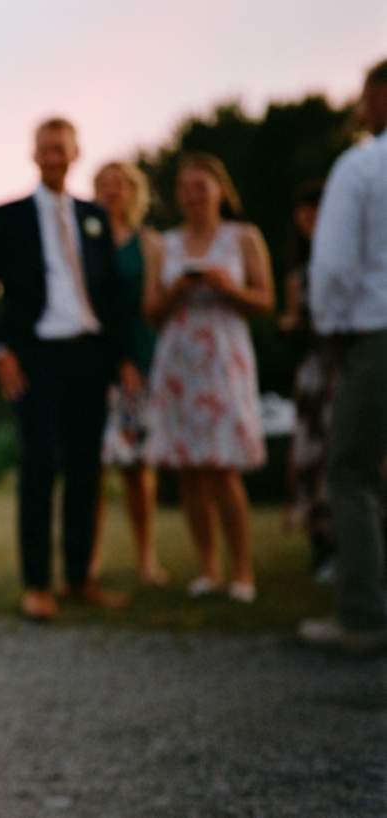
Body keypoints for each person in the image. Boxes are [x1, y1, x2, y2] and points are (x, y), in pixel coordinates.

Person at [0, 117, 140, 622]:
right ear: (34, 154)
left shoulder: (94, 215)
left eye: (61, 148)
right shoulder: (8, 216)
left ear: (75, 152)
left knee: (88, 470)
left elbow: (111, 296)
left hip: (90, 354)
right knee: (41, 464)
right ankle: (37, 586)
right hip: (35, 356)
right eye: (45, 148)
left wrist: (125, 357)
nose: (53, 156)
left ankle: (80, 578)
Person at [143, 153, 274, 604]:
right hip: (178, 363)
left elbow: (266, 302)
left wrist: (228, 287)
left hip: (224, 359)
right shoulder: (165, 244)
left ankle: (242, 571)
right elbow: (150, 312)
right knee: (190, 471)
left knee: (223, 467)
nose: (193, 195)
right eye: (185, 189)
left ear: (221, 190)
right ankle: (208, 569)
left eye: (201, 186)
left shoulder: (244, 237)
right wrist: (175, 291)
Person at [297, 58, 387, 655]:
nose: (357, 108)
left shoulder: (361, 165)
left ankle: (361, 615)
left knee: (351, 470)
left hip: (375, 335)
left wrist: (329, 329)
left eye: (363, 96)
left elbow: (330, 265)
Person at [88, 162, 167, 586]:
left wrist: (135, 360)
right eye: (103, 184)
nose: (111, 190)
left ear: (133, 192)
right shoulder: (84, 241)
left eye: (119, 184)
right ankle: (91, 559)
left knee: (137, 467)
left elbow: (155, 305)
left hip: (140, 357)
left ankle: (145, 557)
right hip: (95, 360)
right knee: (93, 467)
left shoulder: (149, 243)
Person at [278, 182, 335, 581]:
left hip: (346, 366)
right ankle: (324, 550)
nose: (308, 219)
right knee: (312, 458)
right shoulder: (298, 271)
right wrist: (289, 324)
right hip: (314, 370)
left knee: (344, 456)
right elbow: (293, 322)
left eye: (315, 210)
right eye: (303, 213)